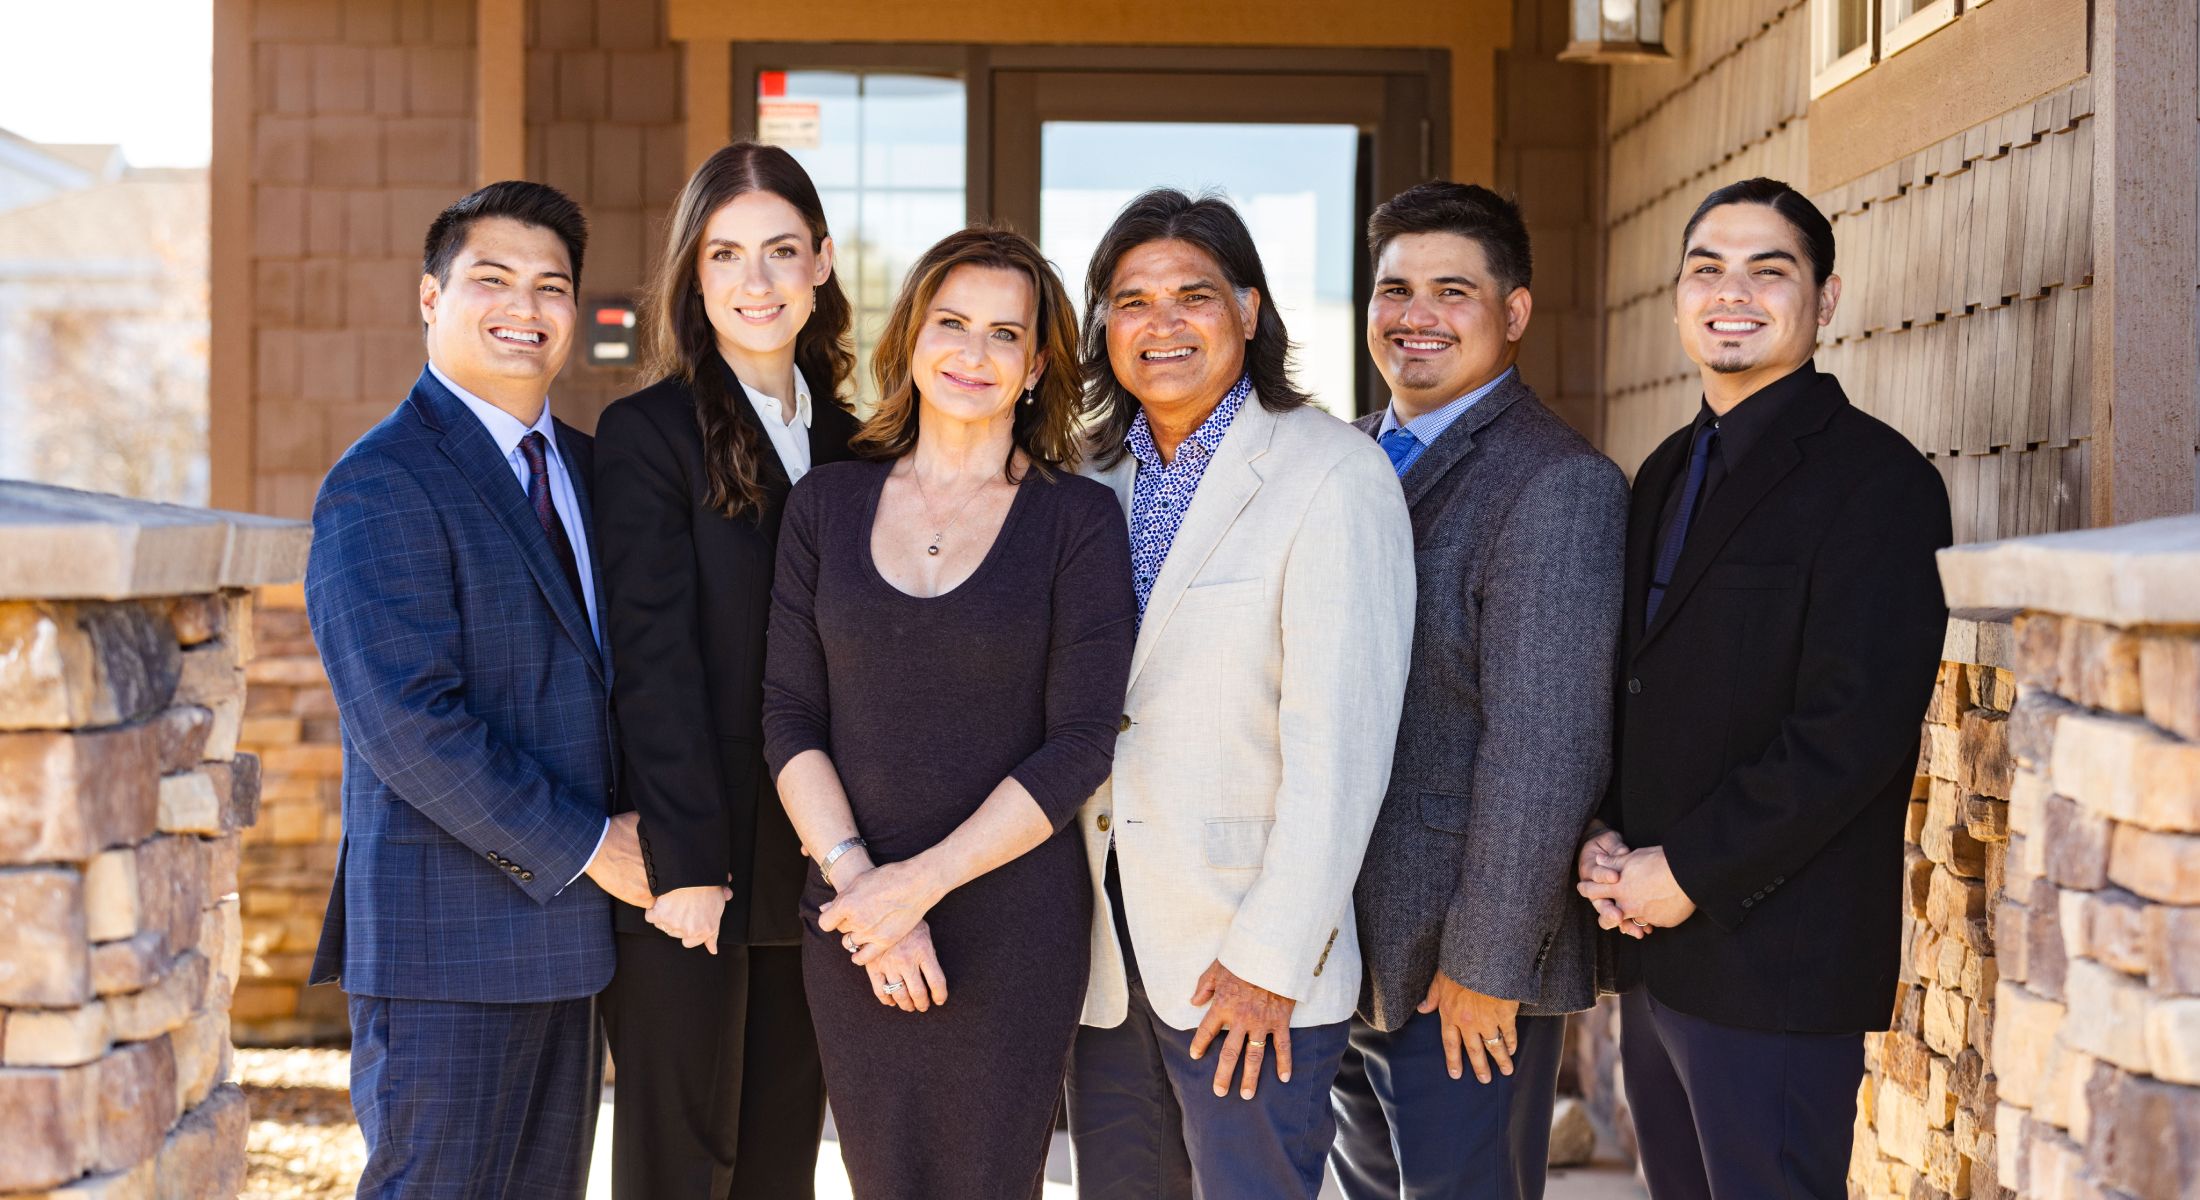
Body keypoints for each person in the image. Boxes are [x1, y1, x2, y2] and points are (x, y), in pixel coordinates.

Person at [1576, 177, 1950, 1200]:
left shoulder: (1877, 483)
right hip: (1654, 953)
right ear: (1678, 298)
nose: (1730, 292)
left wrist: (1687, 866)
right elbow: (1641, 685)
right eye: (1707, 270)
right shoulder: (1663, 471)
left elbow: (1851, 733)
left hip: (1773, 961)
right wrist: (1601, 833)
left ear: (1823, 301)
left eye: (1767, 271)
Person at [760, 226, 1137, 1200]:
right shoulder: (825, 506)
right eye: (951, 323)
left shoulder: (1076, 520)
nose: (973, 353)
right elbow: (789, 717)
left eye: (1004, 334)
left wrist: (914, 890)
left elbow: (1081, 742)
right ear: (911, 339)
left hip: (1011, 924)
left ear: (1036, 364)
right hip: (850, 920)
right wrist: (866, 894)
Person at [304, 180, 652, 1199]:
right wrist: (591, 847)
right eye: (491, 279)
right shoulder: (379, 482)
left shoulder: (592, 471)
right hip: (444, 954)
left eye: (552, 286)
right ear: (429, 297)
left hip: (571, 951)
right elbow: (409, 724)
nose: (525, 307)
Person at [1064, 188, 1415, 1200]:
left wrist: (1269, 955)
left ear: (1249, 311)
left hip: (1244, 958)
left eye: (1194, 296)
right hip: (1102, 952)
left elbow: (1341, 747)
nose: (1161, 324)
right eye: (1131, 300)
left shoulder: (1331, 475)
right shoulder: (1087, 480)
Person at [1331, 182, 1627, 1200]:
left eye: (1451, 291)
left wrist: (1489, 963)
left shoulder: (1555, 485)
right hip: (1342, 953)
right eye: (1393, 290)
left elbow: (1545, 747)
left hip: (1461, 966)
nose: (1414, 316)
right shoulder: (1344, 456)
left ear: (1512, 313)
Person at [592, 141, 856, 1200]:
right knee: (679, 1168)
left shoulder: (857, 441)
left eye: (781, 251)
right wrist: (686, 862)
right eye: (726, 255)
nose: (756, 283)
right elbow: (649, 660)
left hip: (822, 868)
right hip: (694, 870)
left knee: (783, 1162)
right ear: (692, 278)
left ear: (823, 264)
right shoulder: (646, 435)